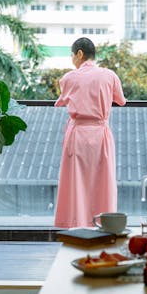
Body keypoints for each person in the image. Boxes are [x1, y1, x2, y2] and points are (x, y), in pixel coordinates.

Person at [54, 37, 127, 228]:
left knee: (76, 182)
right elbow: (121, 100)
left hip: (78, 134)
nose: (72, 60)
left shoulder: (68, 78)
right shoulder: (109, 75)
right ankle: (104, 224)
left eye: (72, 55)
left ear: (79, 53)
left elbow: (61, 101)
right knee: (103, 181)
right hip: (100, 134)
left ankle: (77, 224)